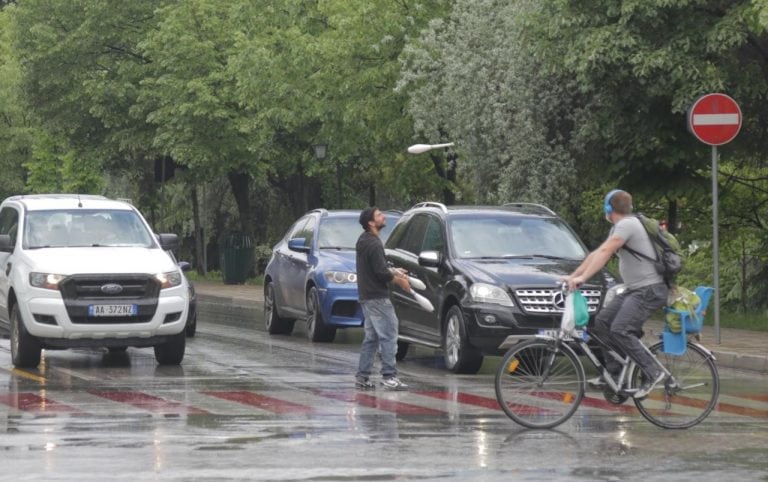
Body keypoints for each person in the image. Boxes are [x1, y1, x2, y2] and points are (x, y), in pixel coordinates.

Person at [562, 189, 668, 399]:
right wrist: (573, 276)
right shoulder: (621, 227)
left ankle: (653, 372)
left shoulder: (628, 224)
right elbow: (596, 253)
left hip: (649, 290)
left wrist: (582, 279)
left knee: (620, 329)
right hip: (634, 290)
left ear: (609, 209)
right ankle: (614, 373)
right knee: (601, 323)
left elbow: (604, 253)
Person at [355, 207, 411, 391]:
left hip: (366, 296)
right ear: (371, 222)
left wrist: (394, 271)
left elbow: (375, 267)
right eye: (379, 215)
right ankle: (389, 376)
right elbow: (380, 273)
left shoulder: (363, 240)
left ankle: (362, 377)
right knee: (389, 335)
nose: (383, 217)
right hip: (378, 297)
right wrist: (399, 281)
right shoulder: (374, 243)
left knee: (371, 338)